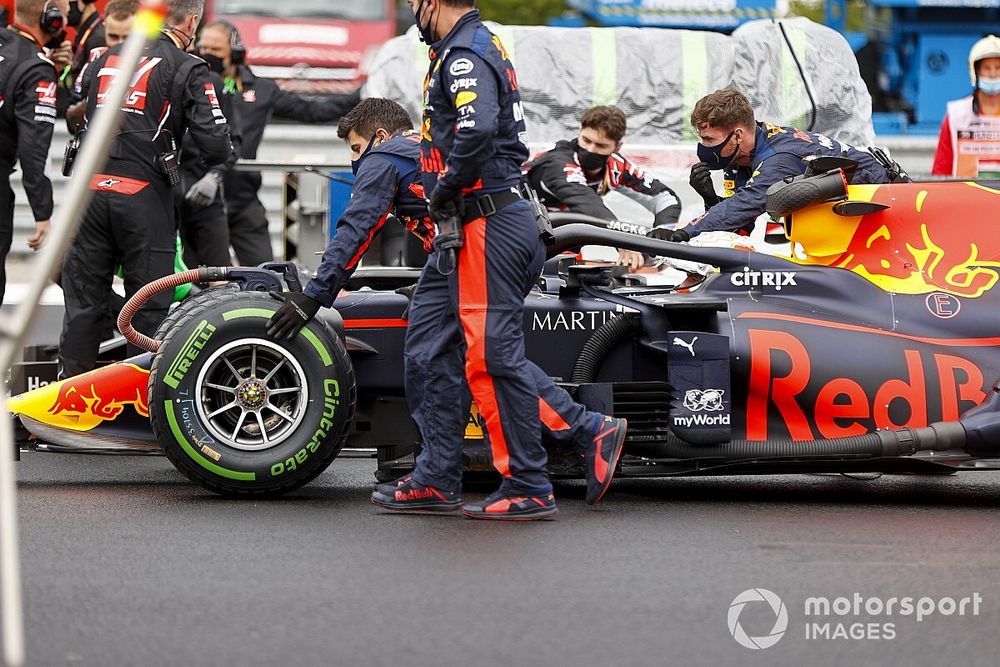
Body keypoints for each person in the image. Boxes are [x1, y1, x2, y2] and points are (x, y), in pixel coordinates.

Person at [363, 0, 628, 521]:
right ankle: (438, 476)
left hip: (487, 220)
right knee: (426, 347)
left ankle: (530, 482)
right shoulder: (461, 46)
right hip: (467, 225)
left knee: (490, 358)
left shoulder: (465, 49)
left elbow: (478, 127)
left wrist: (448, 187)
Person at [58, 0, 232, 377]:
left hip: (87, 193)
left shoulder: (102, 56)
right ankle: (143, 406)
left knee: (84, 304)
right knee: (150, 307)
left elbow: (73, 111)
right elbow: (217, 146)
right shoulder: (189, 66)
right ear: (190, 20)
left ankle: (68, 405)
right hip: (142, 193)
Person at [196, 20, 359, 267]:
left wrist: (360, 96)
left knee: (265, 273)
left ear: (236, 52)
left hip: (242, 197)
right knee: (194, 278)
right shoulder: (190, 83)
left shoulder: (262, 89)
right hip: (197, 196)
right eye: (203, 48)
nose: (208, 56)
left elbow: (312, 111)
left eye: (216, 50)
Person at [655, 88, 896, 243]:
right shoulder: (740, 153)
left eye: (709, 140)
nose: (704, 147)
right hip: (848, 222)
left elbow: (745, 205)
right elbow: (741, 226)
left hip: (888, 212)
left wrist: (684, 233)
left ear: (737, 135)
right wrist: (710, 198)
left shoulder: (778, 158)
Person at [523, 104, 681, 270]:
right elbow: (588, 204)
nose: (590, 149)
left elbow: (665, 198)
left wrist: (662, 235)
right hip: (518, 234)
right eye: (586, 140)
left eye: (600, 145)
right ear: (580, 131)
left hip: (560, 243)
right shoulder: (558, 162)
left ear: (617, 147)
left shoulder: (617, 166)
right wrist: (624, 242)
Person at [0, 0, 69, 304]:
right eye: (64, 15)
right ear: (50, 17)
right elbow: (33, 149)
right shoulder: (36, 69)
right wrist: (43, 213)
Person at [176, 39, 243, 268]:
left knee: (219, 275)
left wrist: (214, 176)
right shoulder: (154, 77)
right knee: (165, 278)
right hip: (163, 196)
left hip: (204, 194)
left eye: (215, 47)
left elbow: (232, 140)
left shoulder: (209, 81)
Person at [932, 35, 1000, 177]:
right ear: (975, 72)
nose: (993, 74)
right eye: (987, 68)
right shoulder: (956, 117)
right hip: (966, 198)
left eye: (998, 68)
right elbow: (940, 171)